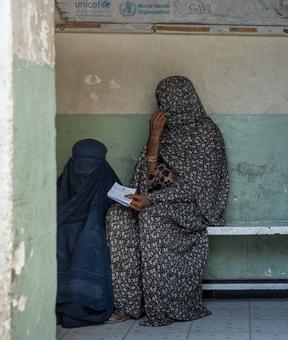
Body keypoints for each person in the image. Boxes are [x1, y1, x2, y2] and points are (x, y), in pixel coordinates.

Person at [106, 75, 229, 327]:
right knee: (117, 216)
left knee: (152, 218)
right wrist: (154, 139)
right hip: (158, 200)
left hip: (193, 208)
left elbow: (198, 189)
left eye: (170, 102)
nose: (165, 109)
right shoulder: (163, 133)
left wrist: (152, 201)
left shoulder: (206, 133)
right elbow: (147, 180)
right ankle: (130, 303)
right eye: (161, 102)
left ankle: (160, 305)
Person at [56, 139, 120, 328]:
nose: (85, 170)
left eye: (90, 164)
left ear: (101, 165)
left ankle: (79, 305)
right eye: (80, 163)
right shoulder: (63, 184)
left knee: (89, 238)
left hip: (94, 228)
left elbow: (121, 205)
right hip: (64, 226)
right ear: (72, 162)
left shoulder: (105, 179)